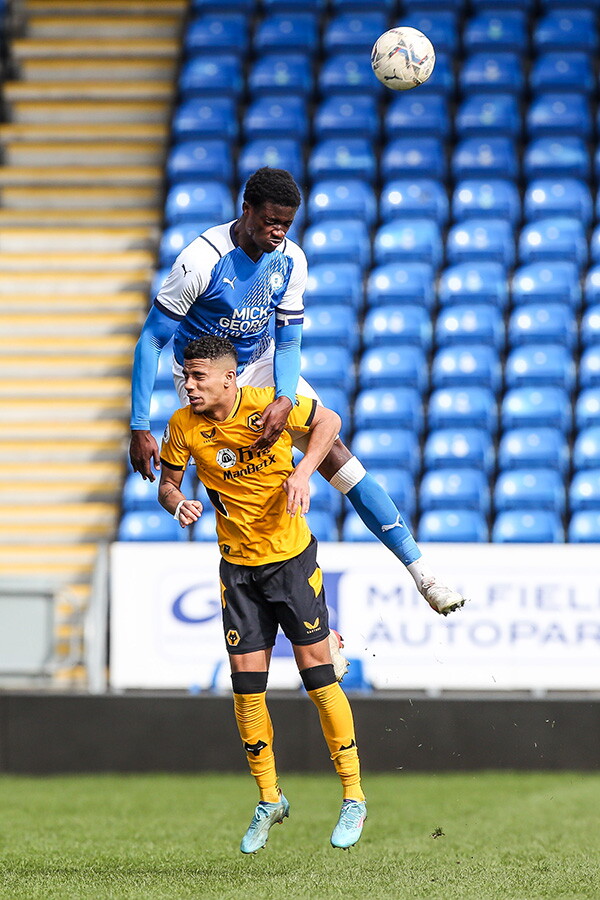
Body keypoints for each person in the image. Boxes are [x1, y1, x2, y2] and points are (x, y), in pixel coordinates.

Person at [131, 166, 466, 617]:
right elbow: (152, 339)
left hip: (262, 363)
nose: (278, 232)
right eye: (270, 221)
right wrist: (140, 425)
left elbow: (289, 341)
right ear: (246, 210)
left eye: (286, 224)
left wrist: (285, 398)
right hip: (206, 375)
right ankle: (315, 622)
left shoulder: (291, 260)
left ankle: (423, 573)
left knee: (335, 453)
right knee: (243, 482)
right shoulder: (201, 261)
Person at [158, 335, 367, 852]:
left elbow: (330, 421)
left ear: (230, 378)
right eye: (186, 376)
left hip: (290, 562)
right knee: (247, 690)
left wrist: (303, 471)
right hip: (238, 572)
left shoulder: (267, 405)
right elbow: (166, 483)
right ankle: (270, 798)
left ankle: (353, 796)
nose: (189, 385)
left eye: (198, 377)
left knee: (318, 678)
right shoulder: (182, 426)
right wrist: (177, 502)